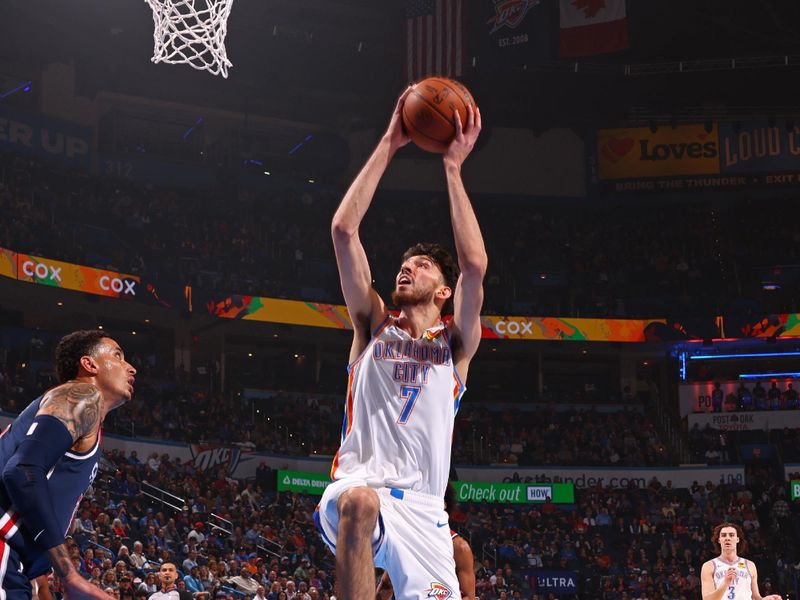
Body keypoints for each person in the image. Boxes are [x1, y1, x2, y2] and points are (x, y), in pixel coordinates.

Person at [315, 87, 486, 600]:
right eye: (404, 262)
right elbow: (343, 231)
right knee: (360, 503)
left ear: (443, 291)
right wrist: (391, 141)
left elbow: (475, 265)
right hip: (355, 489)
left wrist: (453, 168)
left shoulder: (455, 345)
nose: (407, 267)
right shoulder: (371, 323)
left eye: (423, 265)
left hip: (426, 513)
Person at [0, 330, 136, 600]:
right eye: (118, 356)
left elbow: (31, 503)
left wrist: (42, 584)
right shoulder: (82, 394)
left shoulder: (82, 418)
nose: (131, 368)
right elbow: (22, 471)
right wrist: (69, 574)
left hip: (17, 564)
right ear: (89, 364)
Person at [375, 483, 476, 599]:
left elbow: (469, 596)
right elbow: (387, 585)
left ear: (442, 505)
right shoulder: (408, 540)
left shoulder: (459, 547)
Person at [700, 522, 782, 600]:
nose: (727, 538)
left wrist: (766, 599)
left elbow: (755, 598)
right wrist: (725, 583)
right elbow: (707, 599)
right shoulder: (709, 566)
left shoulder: (750, 565)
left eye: (731, 535)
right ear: (719, 540)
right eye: (724, 535)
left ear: (737, 539)